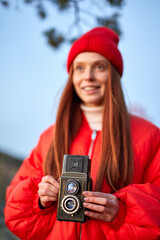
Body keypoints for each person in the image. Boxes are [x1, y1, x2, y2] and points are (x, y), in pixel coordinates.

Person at [4, 27, 160, 240]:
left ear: (113, 74)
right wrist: (39, 200)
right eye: (79, 68)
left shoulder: (150, 136)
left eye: (98, 67)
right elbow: (14, 213)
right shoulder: (50, 137)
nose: (88, 76)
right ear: (72, 77)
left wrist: (122, 213)